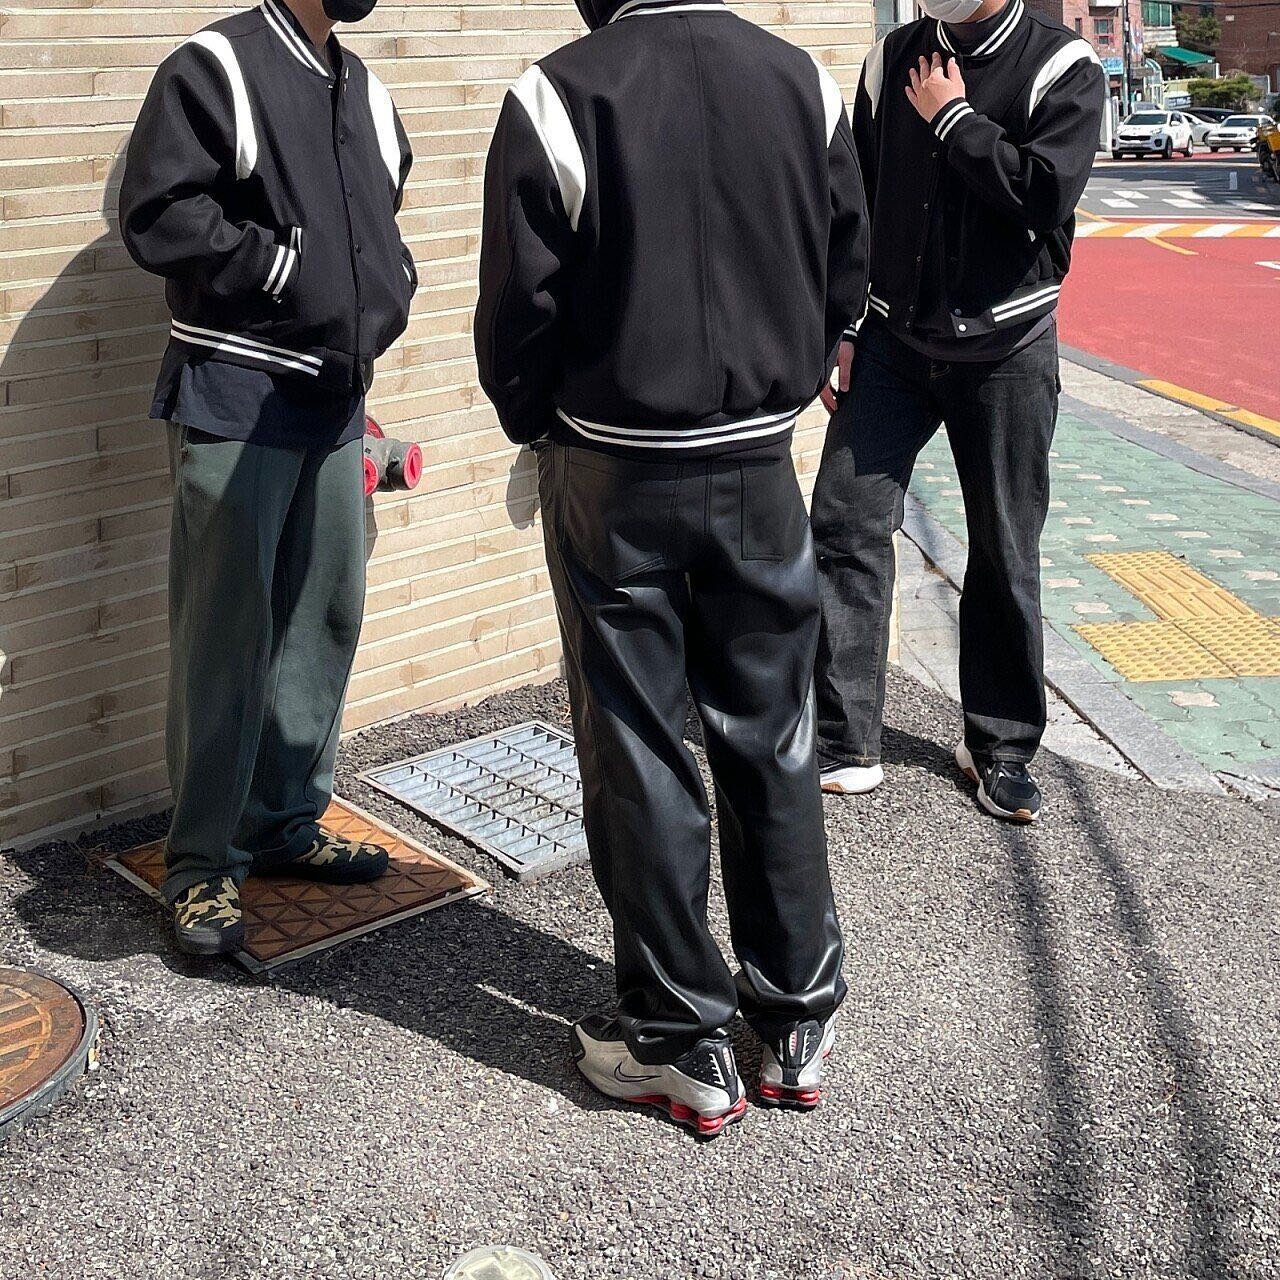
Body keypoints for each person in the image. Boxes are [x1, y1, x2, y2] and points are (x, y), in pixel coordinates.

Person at [475, 0, 868, 1135]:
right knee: (772, 730)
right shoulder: (800, 79)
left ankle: (678, 1035)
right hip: (757, 462)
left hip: (616, 468)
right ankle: (794, 1017)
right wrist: (785, 376)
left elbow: (519, 309)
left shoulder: (558, 91)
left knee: (636, 739)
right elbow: (847, 266)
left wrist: (537, 420)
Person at [118, 0, 417, 955]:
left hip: (333, 401)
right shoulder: (217, 66)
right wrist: (283, 266)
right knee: (227, 636)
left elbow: (379, 220)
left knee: (325, 618)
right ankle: (201, 865)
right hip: (237, 395)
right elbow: (157, 213)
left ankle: (284, 823)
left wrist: (390, 282)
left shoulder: (365, 90)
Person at [811, 0, 1104, 822]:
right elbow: (857, 199)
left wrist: (956, 120)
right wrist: (845, 323)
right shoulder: (892, 56)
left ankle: (999, 746)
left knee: (1004, 546)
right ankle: (844, 740)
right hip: (894, 339)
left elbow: (1045, 194)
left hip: (1008, 346)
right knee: (844, 522)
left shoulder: (1064, 66)